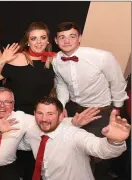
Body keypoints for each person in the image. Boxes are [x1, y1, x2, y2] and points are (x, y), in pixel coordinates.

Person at [53, 22, 129, 179]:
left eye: (72, 36)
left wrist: (116, 109)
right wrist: (61, 104)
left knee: (95, 156)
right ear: (56, 41)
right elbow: (61, 84)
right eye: (62, 37)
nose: (67, 41)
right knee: (69, 150)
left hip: (101, 111)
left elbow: (118, 82)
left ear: (79, 38)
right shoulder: (56, 60)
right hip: (75, 109)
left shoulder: (102, 57)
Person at [0, 22, 57, 179]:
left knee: (31, 157)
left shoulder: (53, 61)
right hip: (14, 115)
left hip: (36, 117)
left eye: (42, 38)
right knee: (9, 154)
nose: (38, 42)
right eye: (34, 38)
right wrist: (2, 59)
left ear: (48, 41)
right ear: (28, 40)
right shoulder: (18, 57)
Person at [23, 97, 129, 180]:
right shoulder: (32, 133)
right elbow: (24, 145)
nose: (44, 119)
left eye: (50, 114)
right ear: (34, 114)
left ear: (61, 117)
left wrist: (114, 141)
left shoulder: (73, 135)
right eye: (40, 113)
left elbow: (100, 149)